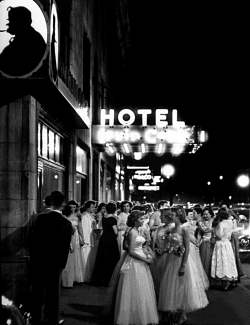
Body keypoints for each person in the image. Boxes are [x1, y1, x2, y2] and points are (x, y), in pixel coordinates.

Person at [158, 208, 208, 325]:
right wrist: (164, 247)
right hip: (171, 259)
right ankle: (176, 312)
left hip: (181, 260)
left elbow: (187, 248)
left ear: (179, 216)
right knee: (172, 286)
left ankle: (181, 314)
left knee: (182, 287)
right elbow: (169, 245)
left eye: (173, 215)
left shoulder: (184, 229)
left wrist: (183, 266)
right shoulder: (171, 229)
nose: (171, 217)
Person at [29, 193, 72, 325]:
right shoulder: (66, 223)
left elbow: (33, 241)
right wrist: (62, 264)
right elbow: (65, 247)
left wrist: (34, 258)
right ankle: (53, 319)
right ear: (63, 204)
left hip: (39, 262)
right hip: (56, 263)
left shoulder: (40, 220)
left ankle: (36, 319)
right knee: (53, 294)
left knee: (38, 292)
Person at [114, 210, 159, 325]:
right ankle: (133, 315)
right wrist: (145, 259)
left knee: (142, 288)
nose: (143, 220)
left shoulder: (137, 231)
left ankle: (140, 313)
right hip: (135, 262)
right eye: (141, 219)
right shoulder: (132, 232)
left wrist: (146, 250)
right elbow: (131, 251)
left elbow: (140, 245)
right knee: (134, 288)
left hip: (140, 260)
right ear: (135, 220)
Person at [0, 6, 47, 76]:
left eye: (11, 21)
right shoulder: (28, 38)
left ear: (20, 22)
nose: (9, 24)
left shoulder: (32, 40)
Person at [92, 201, 120, 286]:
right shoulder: (113, 219)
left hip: (104, 238)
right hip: (111, 239)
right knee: (111, 258)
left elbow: (100, 227)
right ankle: (109, 277)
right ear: (114, 210)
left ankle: (101, 278)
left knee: (102, 257)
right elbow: (115, 231)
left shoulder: (104, 218)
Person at [211, 208, 238, 290]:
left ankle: (223, 281)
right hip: (227, 243)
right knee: (228, 261)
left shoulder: (221, 224)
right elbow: (231, 232)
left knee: (221, 261)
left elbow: (219, 235)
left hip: (221, 243)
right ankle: (228, 281)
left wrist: (215, 231)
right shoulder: (230, 223)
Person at [151, 207, 174, 300]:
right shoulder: (160, 227)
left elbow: (174, 242)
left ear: (168, 217)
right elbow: (156, 240)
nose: (160, 218)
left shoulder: (172, 227)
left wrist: (164, 250)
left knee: (166, 278)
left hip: (167, 255)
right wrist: (156, 248)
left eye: (162, 216)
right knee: (158, 277)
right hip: (158, 254)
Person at [219, 200, 244, 283]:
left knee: (233, 256)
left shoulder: (232, 217)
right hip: (225, 238)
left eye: (225, 208)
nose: (224, 210)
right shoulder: (221, 217)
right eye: (222, 208)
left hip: (232, 238)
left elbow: (235, 229)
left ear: (228, 208)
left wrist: (228, 233)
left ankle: (235, 277)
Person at [61, 201, 85, 287]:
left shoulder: (78, 216)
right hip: (68, 236)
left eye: (74, 207)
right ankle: (67, 278)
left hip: (76, 237)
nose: (72, 209)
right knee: (69, 257)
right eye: (71, 207)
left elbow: (80, 228)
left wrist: (82, 238)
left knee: (76, 256)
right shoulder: (64, 216)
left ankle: (75, 277)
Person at [197, 206, 215, 283]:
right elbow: (199, 234)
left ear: (211, 214)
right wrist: (197, 242)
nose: (205, 216)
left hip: (212, 242)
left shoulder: (214, 222)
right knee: (204, 260)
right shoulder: (200, 222)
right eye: (204, 214)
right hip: (204, 243)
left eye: (206, 214)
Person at [80, 200, 96, 282]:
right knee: (85, 258)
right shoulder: (84, 217)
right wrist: (84, 239)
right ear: (87, 208)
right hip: (87, 239)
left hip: (90, 238)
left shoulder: (90, 216)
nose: (94, 208)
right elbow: (84, 229)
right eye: (92, 207)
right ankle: (84, 276)